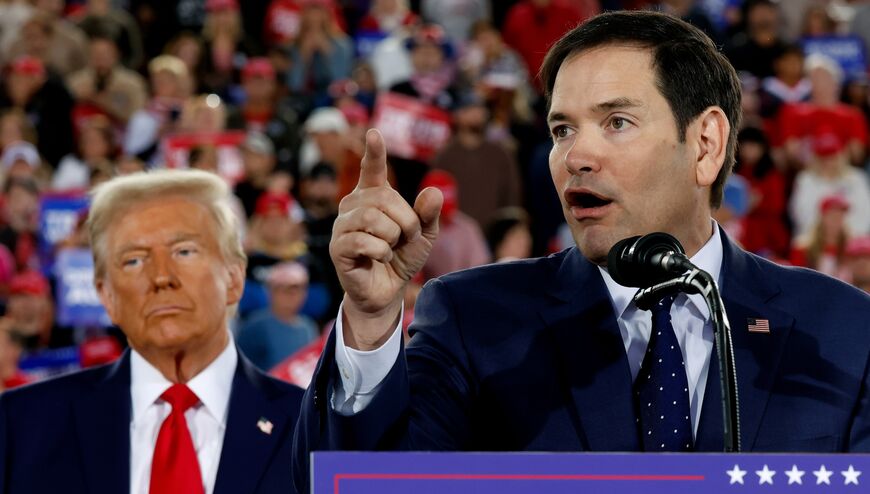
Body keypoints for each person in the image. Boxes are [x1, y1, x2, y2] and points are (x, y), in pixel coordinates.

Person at [292, 10, 870, 492]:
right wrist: (369, 326)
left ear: (705, 145)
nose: (576, 157)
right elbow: (368, 484)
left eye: (616, 121)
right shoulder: (473, 319)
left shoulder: (843, 331)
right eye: (562, 129)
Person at [0, 170, 304, 493]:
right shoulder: (19, 426)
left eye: (184, 251)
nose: (161, 276)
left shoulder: (317, 429)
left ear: (233, 278)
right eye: (133, 260)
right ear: (107, 296)